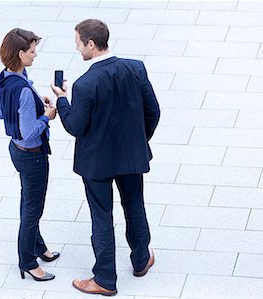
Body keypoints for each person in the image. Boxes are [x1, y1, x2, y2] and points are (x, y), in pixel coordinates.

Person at [51, 19, 160, 296]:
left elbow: (76, 126)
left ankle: (104, 279)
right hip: (130, 156)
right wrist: (139, 141)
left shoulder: (85, 84)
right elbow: (153, 111)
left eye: (78, 44)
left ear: (90, 44)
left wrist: (63, 100)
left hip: (97, 163)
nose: (77, 49)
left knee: (101, 216)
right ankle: (140, 260)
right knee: (134, 204)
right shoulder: (135, 68)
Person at [0, 28, 59, 282]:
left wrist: (34, 103)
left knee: (28, 201)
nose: (35, 54)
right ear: (21, 54)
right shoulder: (22, 89)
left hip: (16, 151)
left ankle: (38, 245)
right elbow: (30, 132)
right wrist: (45, 116)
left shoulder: (4, 77)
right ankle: (28, 261)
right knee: (33, 208)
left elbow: (2, 112)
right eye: (32, 51)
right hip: (32, 155)